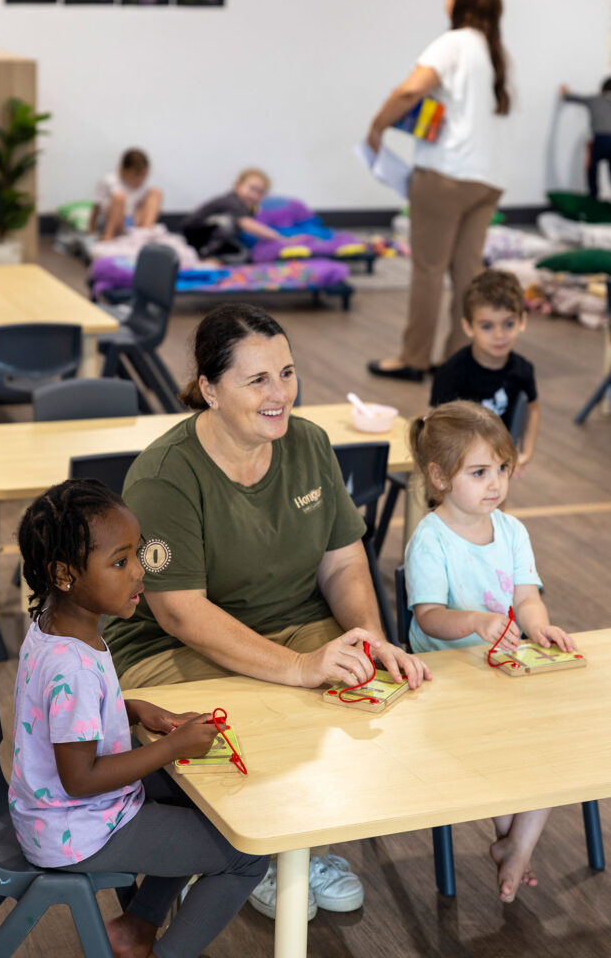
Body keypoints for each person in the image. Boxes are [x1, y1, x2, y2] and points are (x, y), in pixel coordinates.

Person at [102, 302, 430, 921]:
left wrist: (365, 637)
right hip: (171, 651)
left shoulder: (308, 443)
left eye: (286, 372)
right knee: (269, 708)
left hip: (292, 622)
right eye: (257, 380)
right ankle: (262, 854)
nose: (279, 393)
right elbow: (181, 615)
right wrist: (301, 667)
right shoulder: (166, 474)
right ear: (209, 390)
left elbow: (343, 563)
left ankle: (307, 844)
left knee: (366, 688)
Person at [11, 479, 269, 958]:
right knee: (246, 855)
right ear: (66, 575)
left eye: (137, 554)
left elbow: (65, 720)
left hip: (60, 816)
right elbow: (81, 778)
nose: (139, 573)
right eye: (120, 562)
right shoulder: (74, 664)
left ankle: (135, 928)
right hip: (80, 829)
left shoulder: (57, 626)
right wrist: (168, 748)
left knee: (200, 799)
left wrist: (133, 709)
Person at [405, 401, 576, 902]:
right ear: (439, 477)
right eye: (479, 472)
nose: (496, 483)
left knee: (559, 739)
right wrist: (478, 622)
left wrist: (539, 628)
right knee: (506, 751)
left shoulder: (513, 530)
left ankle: (513, 845)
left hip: (503, 670)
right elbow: (428, 616)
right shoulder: (430, 540)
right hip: (447, 677)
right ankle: (516, 846)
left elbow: (526, 598)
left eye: (502, 468)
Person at [366, 0, 510, 381]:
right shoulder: (495, 51)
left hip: (446, 176)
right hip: (488, 180)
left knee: (428, 270)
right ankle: (461, 358)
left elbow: (411, 89)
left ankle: (412, 359)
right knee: (468, 272)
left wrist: (377, 126)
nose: (444, 0)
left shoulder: (454, 43)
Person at [430, 269, 539, 477]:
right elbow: (436, 428)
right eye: (487, 326)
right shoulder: (451, 373)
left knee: (496, 507)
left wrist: (525, 453)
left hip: (498, 466)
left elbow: (533, 410)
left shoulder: (523, 370)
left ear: (522, 321)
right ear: (468, 327)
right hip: (456, 470)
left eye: (508, 324)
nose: (499, 335)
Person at [180, 168, 288, 261]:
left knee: (243, 254)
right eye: (252, 189)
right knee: (226, 222)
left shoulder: (248, 208)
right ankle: (203, 256)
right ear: (238, 186)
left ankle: (214, 259)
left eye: (260, 193)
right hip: (194, 234)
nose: (254, 195)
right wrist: (279, 238)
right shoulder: (233, 201)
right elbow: (247, 224)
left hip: (212, 238)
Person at [89, 148, 163, 241]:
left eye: (144, 175)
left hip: (131, 221)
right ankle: (108, 235)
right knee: (119, 197)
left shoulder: (141, 185)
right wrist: (91, 229)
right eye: (136, 176)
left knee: (155, 192)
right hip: (114, 222)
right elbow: (97, 206)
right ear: (123, 170)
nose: (140, 180)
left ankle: (145, 232)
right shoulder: (109, 180)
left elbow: (143, 206)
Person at [560, 78, 611, 199]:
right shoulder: (596, 100)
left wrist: (566, 94)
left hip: (599, 139)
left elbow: (576, 98)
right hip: (604, 138)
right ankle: (594, 195)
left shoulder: (595, 100)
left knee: (592, 168)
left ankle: (593, 195)